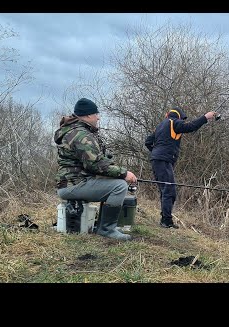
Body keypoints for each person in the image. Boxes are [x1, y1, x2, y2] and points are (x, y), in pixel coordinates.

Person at [54, 98, 138, 240]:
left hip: (72, 183)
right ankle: (106, 229)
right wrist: (124, 173)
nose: (98, 117)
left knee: (113, 181)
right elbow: (94, 165)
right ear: (87, 115)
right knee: (119, 186)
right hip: (74, 184)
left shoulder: (75, 131)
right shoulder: (81, 135)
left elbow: (94, 162)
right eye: (96, 114)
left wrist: (113, 169)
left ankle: (102, 226)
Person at [145, 107, 217, 228]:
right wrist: (206, 117)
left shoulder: (160, 126)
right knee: (169, 190)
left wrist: (155, 152)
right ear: (179, 116)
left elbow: (147, 142)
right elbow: (191, 126)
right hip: (163, 160)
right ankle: (166, 221)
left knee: (165, 190)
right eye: (182, 119)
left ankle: (165, 218)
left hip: (157, 160)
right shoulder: (174, 122)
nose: (183, 121)